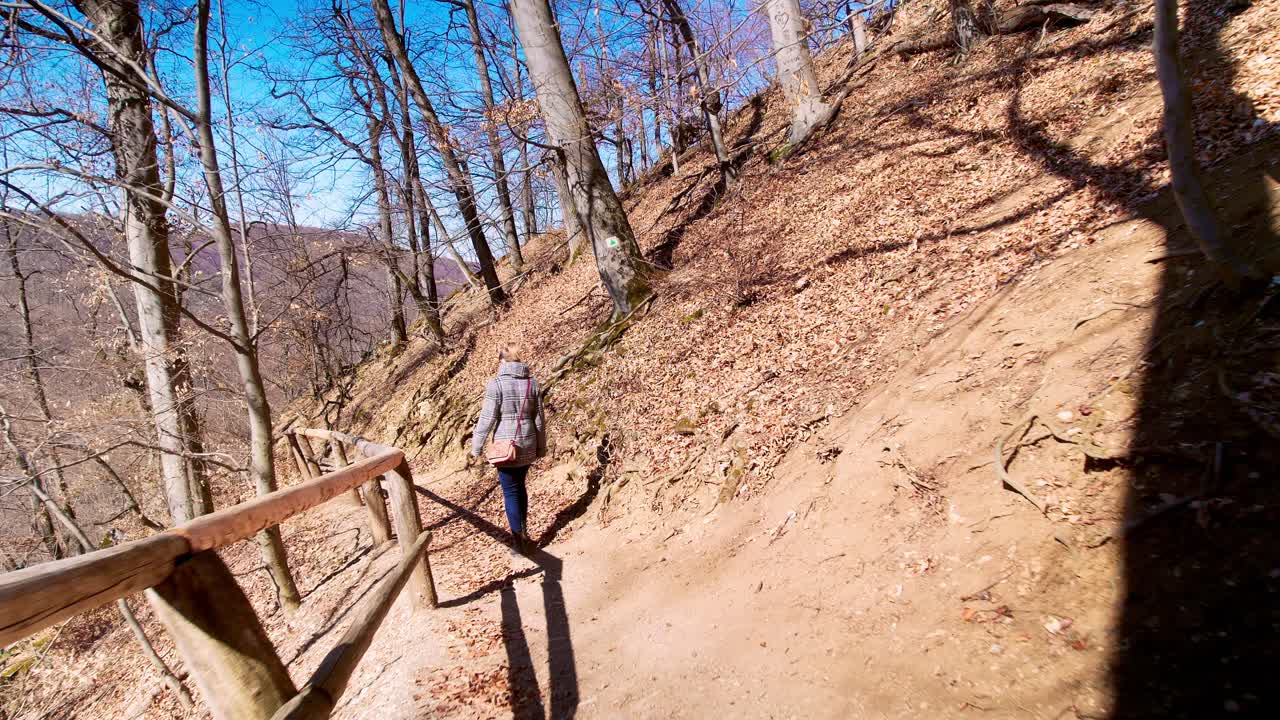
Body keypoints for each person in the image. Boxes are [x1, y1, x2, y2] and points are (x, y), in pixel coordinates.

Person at [470, 345, 546, 555]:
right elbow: (539, 420)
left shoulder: (496, 384)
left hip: (506, 448)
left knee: (510, 492)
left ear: (502, 361)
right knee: (520, 488)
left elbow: (487, 419)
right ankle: (524, 534)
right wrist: (541, 447)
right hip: (528, 445)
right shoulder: (533, 383)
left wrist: (476, 448)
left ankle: (518, 542)